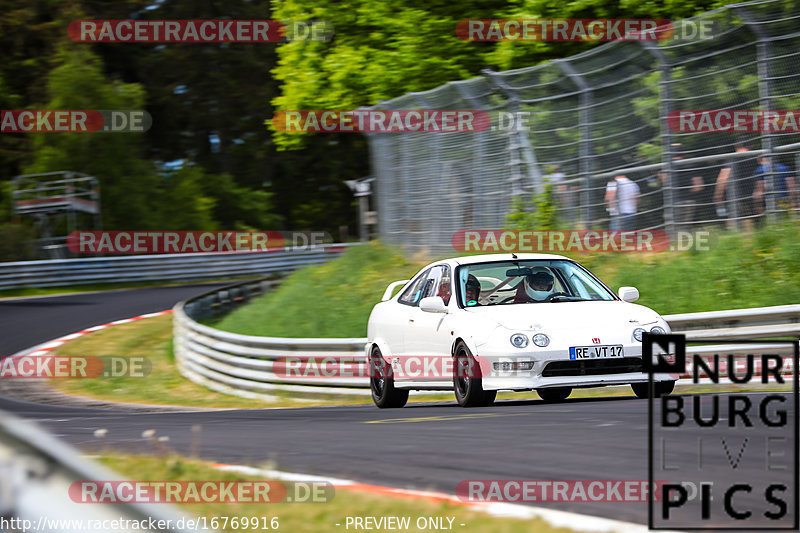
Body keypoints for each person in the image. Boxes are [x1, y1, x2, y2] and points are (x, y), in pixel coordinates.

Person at [713, 142, 759, 230]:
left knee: (735, 217)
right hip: (752, 192)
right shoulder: (754, 158)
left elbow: (724, 177)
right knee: (753, 217)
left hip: (735, 194)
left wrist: (718, 193)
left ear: (736, 146)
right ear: (751, 145)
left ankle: (737, 234)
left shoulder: (732, 158)